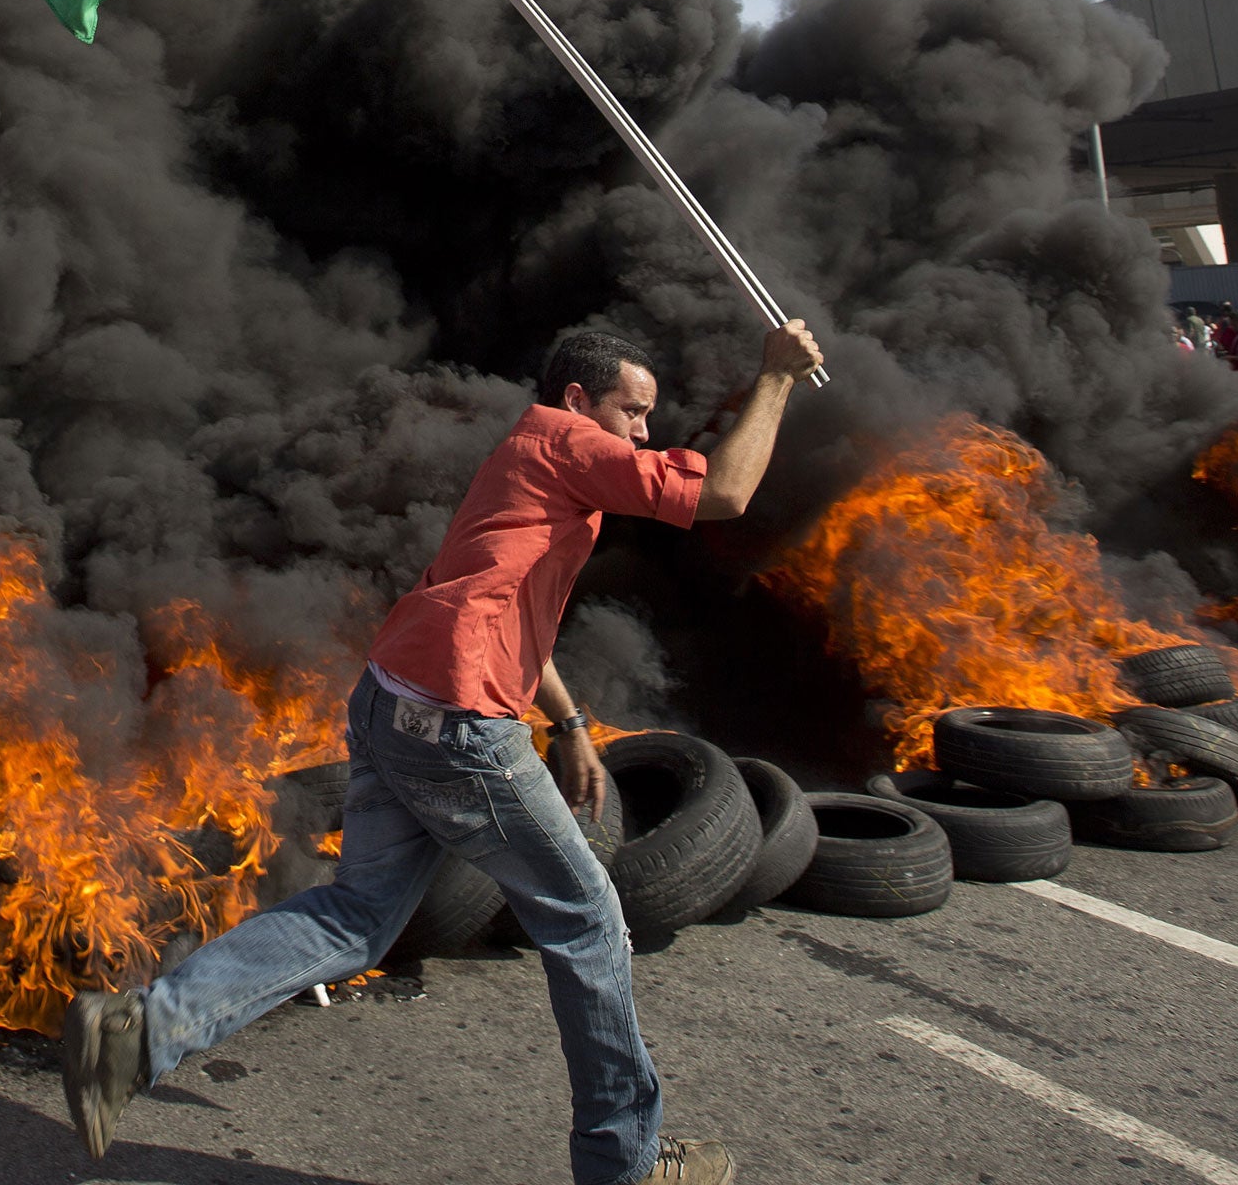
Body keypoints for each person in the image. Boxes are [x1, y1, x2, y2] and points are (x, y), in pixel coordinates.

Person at [62, 322, 825, 1185]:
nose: (645, 432)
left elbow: (496, 607)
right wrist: (778, 377)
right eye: (634, 412)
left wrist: (569, 724)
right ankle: (627, 1163)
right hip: (456, 730)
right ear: (579, 400)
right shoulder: (567, 440)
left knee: (355, 916)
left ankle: (135, 1034)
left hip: (394, 703)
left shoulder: (527, 457)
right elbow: (722, 493)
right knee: (588, 919)